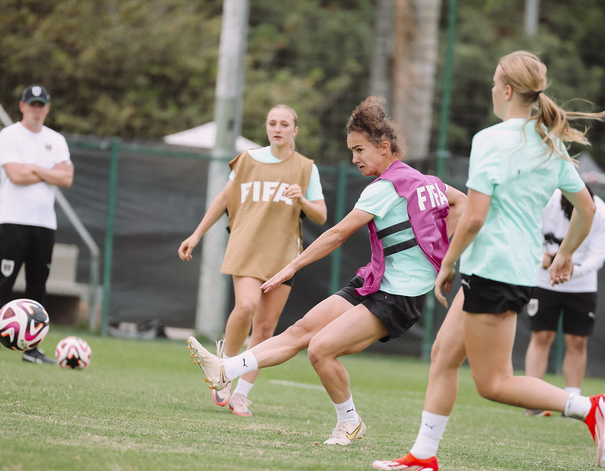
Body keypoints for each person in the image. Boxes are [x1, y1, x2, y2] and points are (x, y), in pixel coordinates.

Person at [372, 51, 605, 471]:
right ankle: (423, 456)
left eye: (492, 83)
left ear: (506, 90)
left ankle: (586, 407)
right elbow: (587, 210)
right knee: (443, 355)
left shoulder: (489, 139)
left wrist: (448, 261)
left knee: (494, 383)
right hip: (508, 269)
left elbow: (475, 216)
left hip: (495, 271)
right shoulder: (550, 144)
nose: (490, 90)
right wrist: (565, 254)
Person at [187, 95, 467, 444]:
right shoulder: (425, 180)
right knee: (299, 330)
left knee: (320, 349)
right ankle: (225, 369)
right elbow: (462, 203)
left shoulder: (384, 188)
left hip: (397, 296)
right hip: (374, 281)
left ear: (384, 147)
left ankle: (349, 423)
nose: (354, 159)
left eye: (360, 150)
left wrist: (291, 266)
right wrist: (442, 253)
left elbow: (335, 234)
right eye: (352, 150)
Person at [179, 105, 328, 416]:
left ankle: (242, 394)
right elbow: (223, 199)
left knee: (264, 329)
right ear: (267, 127)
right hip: (246, 247)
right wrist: (196, 235)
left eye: (284, 124)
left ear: (294, 130)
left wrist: (301, 198)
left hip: (284, 256)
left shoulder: (305, 168)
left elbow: (322, 215)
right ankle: (223, 371)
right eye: (272, 123)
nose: (277, 128)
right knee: (246, 306)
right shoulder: (248, 160)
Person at [0, 84, 74, 364]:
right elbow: (15, 175)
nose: (36, 109)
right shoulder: (9, 135)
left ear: (47, 107)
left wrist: (32, 167)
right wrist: (48, 172)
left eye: (41, 104)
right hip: (13, 221)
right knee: (4, 282)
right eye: (31, 104)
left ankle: (31, 349)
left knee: (38, 286)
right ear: (22, 106)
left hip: (44, 223)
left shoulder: (56, 140)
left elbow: (66, 179)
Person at [523, 185, 605, 416]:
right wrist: (538, 257)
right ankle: (533, 399)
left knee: (577, 341)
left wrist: (572, 271)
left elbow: (598, 255)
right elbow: (527, 233)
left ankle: (574, 402)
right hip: (544, 282)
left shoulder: (600, 212)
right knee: (541, 336)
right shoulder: (546, 201)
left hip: (581, 284)